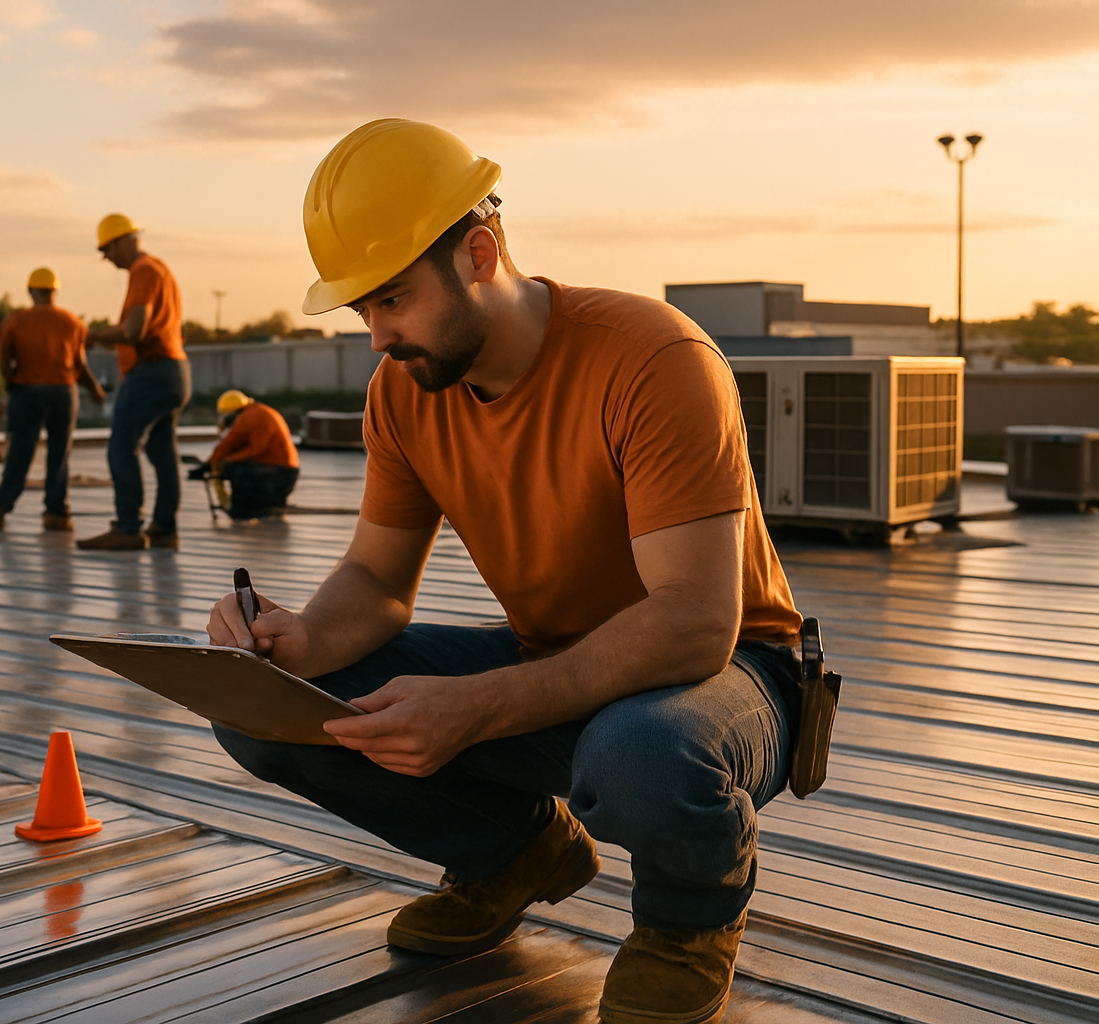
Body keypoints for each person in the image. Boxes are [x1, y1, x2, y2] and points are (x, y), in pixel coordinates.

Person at [205, 119, 803, 1024]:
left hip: (731, 676)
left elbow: (694, 622)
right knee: (267, 708)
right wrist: (303, 638)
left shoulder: (654, 358)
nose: (376, 336)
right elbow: (376, 579)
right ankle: (513, 853)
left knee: (639, 749)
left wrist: (482, 705)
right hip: (556, 666)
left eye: (393, 299)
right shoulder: (403, 394)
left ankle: (686, 924)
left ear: (479, 255)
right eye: (363, 308)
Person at [77, 214, 191, 552]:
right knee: (161, 451)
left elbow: (133, 331)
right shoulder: (159, 270)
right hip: (173, 372)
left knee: (121, 447)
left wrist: (91, 336)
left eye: (107, 250)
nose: (108, 259)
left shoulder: (143, 271)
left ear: (121, 242)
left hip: (151, 373)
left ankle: (128, 528)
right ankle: (164, 527)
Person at [0, 268, 106, 532]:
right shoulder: (72, 322)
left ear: (30, 291)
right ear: (54, 292)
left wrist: (11, 382)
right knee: (59, 453)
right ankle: (57, 513)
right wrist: (94, 389)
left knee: (20, 451)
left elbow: (4, 361)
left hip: (27, 391)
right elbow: (79, 364)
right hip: (64, 393)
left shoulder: (15, 321)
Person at [189, 390, 300, 520]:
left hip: (277, 474)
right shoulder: (258, 411)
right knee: (235, 465)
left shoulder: (248, 417)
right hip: (285, 473)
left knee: (234, 468)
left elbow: (231, 444)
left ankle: (241, 509)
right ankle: (266, 504)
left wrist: (213, 463)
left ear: (232, 414)